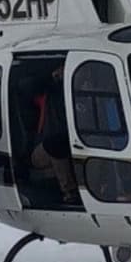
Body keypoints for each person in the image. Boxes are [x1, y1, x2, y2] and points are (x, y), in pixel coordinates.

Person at [28, 63, 80, 204]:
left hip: (75, 143)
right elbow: (29, 87)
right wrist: (53, 76)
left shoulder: (79, 95)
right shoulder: (47, 95)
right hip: (42, 150)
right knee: (56, 143)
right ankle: (69, 191)